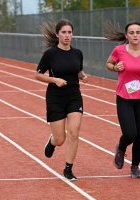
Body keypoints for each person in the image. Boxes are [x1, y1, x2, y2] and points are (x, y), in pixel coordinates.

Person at [104, 20, 140, 178]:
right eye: (132, 32)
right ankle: (121, 148)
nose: (135, 35)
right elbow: (108, 64)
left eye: (138, 32)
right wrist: (115, 67)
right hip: (124, 98)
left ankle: (135, 166)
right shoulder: (119, 50)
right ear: (126, 35)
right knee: (130, 133)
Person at [35, 19, 88, 181]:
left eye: (69, 32)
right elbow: (38, 75)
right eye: (64, 32)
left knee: (74, 132)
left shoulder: (77, 53)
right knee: (60, 139)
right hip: (55, 98)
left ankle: (68, 168)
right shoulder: (50, 54)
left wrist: (83, 76)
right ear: (58, 34)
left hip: (74, 96)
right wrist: (55, 80)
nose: (67, 35)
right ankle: (52, 142)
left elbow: (78, 70)